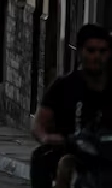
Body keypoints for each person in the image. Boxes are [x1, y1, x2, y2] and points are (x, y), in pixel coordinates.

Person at [31, 24, 112, 188]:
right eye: (91, 50)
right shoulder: (64, 86)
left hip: (107, 153)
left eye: (102, 51)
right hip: (74, 151)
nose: (97, 56)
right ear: (80, 52)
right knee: (53, 162)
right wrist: (47, 137)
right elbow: (40, 122)